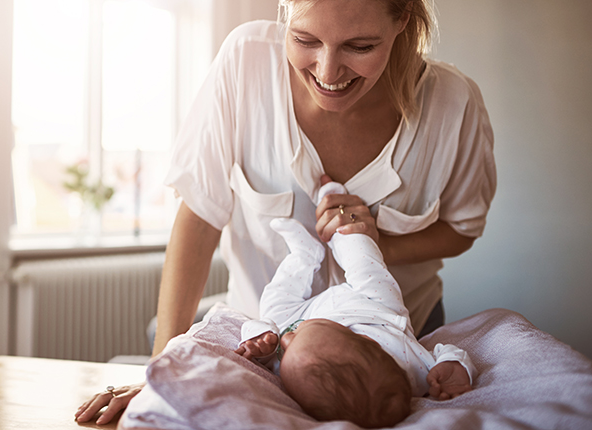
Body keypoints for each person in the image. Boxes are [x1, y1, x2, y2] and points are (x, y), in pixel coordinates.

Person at [76, 0, 494, 424]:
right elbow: (199, 219)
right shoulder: (245, 62)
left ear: (402, 18)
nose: (328, 73)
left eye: (360, 46)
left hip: (398, 350)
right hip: (261, 344)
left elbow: (461, 229)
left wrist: (381, 242)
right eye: (304, 39)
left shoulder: (453, 104)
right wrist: (162, 370)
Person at [233, 180, 475, 428]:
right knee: (364, 262)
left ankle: (303, 256)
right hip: (375, 309)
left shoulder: (298, 370)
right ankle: (340, 217)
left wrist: (259, 342)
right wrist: (455, 368)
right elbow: (445, 354)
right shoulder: (415, 371)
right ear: (366, 340)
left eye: (286, 351)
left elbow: (266, 348)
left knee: (272, 308)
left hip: (308, 314)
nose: (287, 339)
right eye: (295, 338)